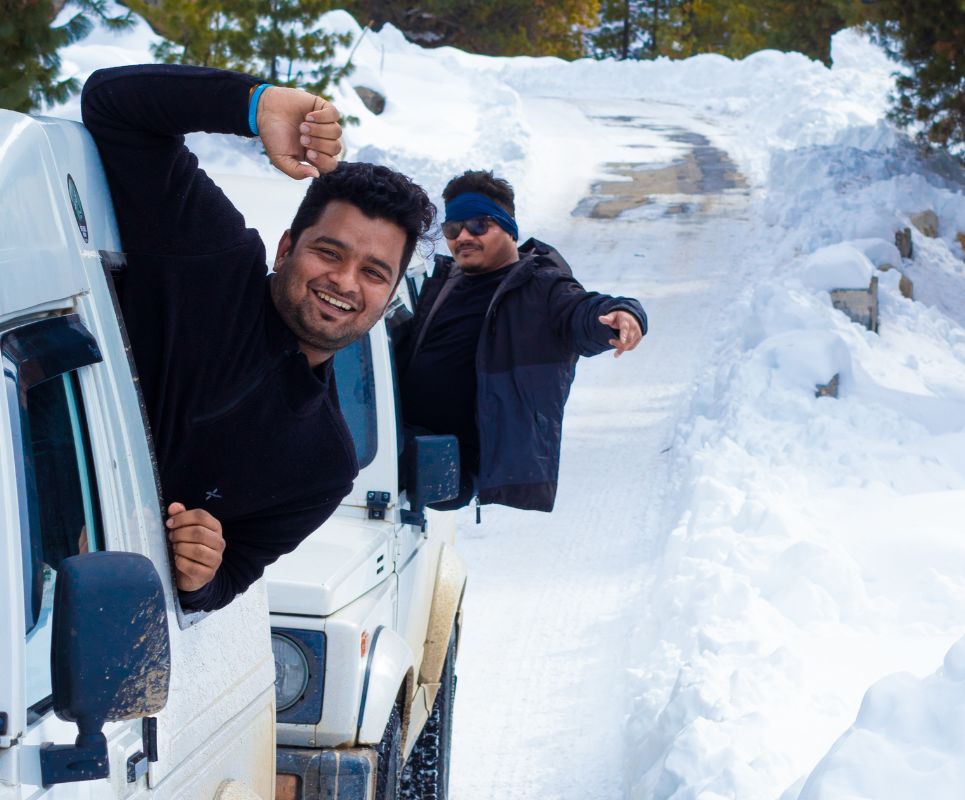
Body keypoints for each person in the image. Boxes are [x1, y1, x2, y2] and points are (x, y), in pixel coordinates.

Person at [81, 65, 436, 611]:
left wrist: (202, 572)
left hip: (60, 618)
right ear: (285, 247)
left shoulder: (324, 464)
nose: (343, 282)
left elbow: (234, 575)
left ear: (389, 299)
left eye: (373, 272)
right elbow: (112, 106)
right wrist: (256, 105)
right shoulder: (208, 257)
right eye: (329, 252)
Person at [395, 170, 646, 513]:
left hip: (452, 463)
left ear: (508, 227)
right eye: (453, 229)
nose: (463, 236)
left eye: (478, 225)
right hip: (402, 434)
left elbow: (582, 311)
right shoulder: (449, 280)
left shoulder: (542, 288)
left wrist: (621, 314)